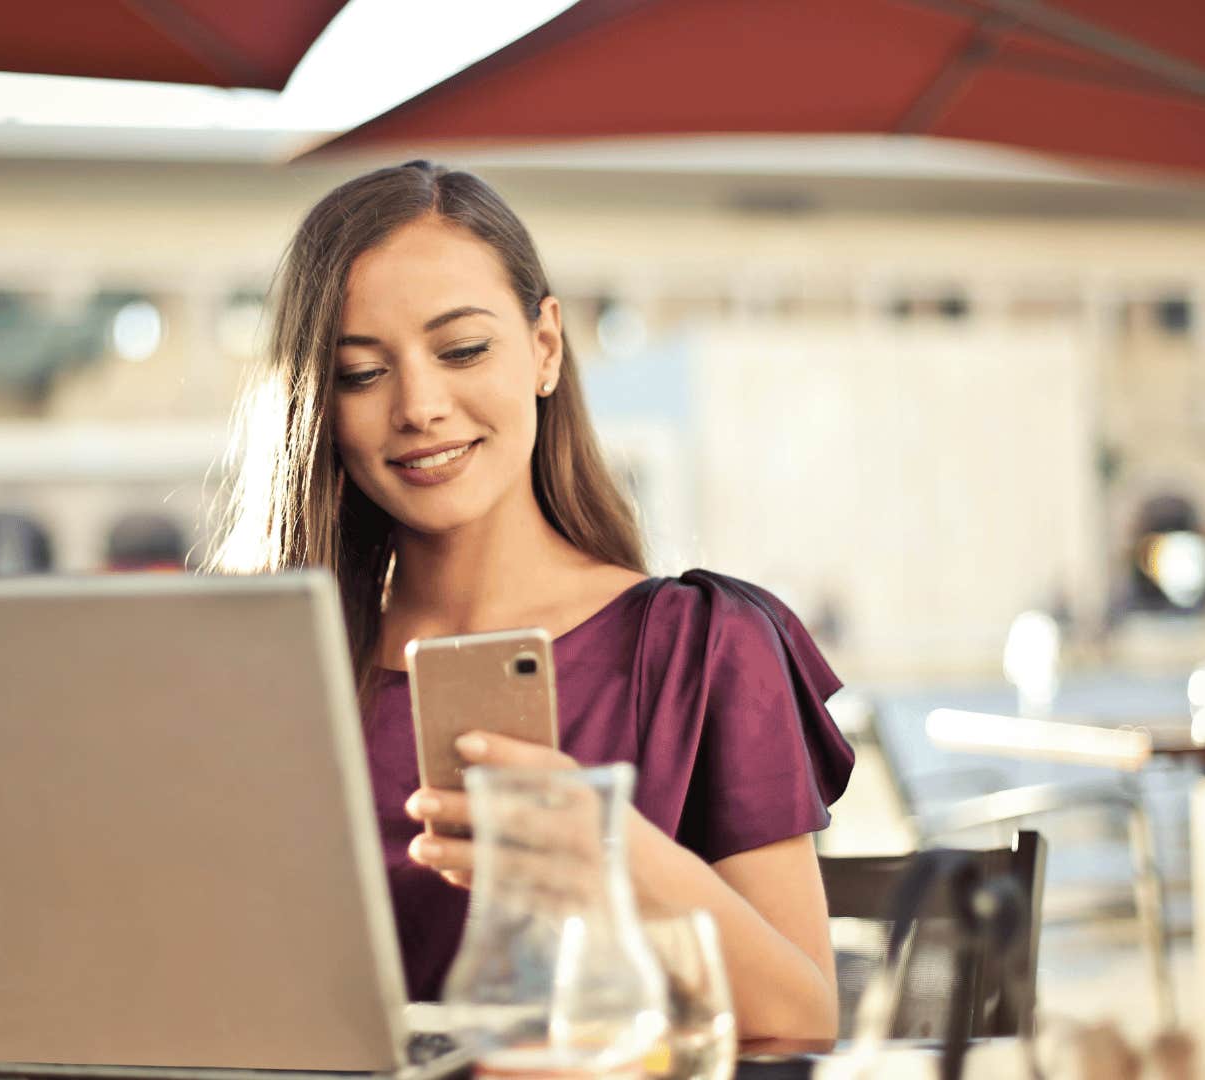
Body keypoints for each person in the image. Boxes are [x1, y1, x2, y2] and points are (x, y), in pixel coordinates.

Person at [208, 162, 854, 1039]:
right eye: (361, 373)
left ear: (544, 347)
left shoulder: (701, 645)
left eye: (463, 350)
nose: (421, 407)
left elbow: (803, 1018)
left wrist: (609, 857)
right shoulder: (263, 671)